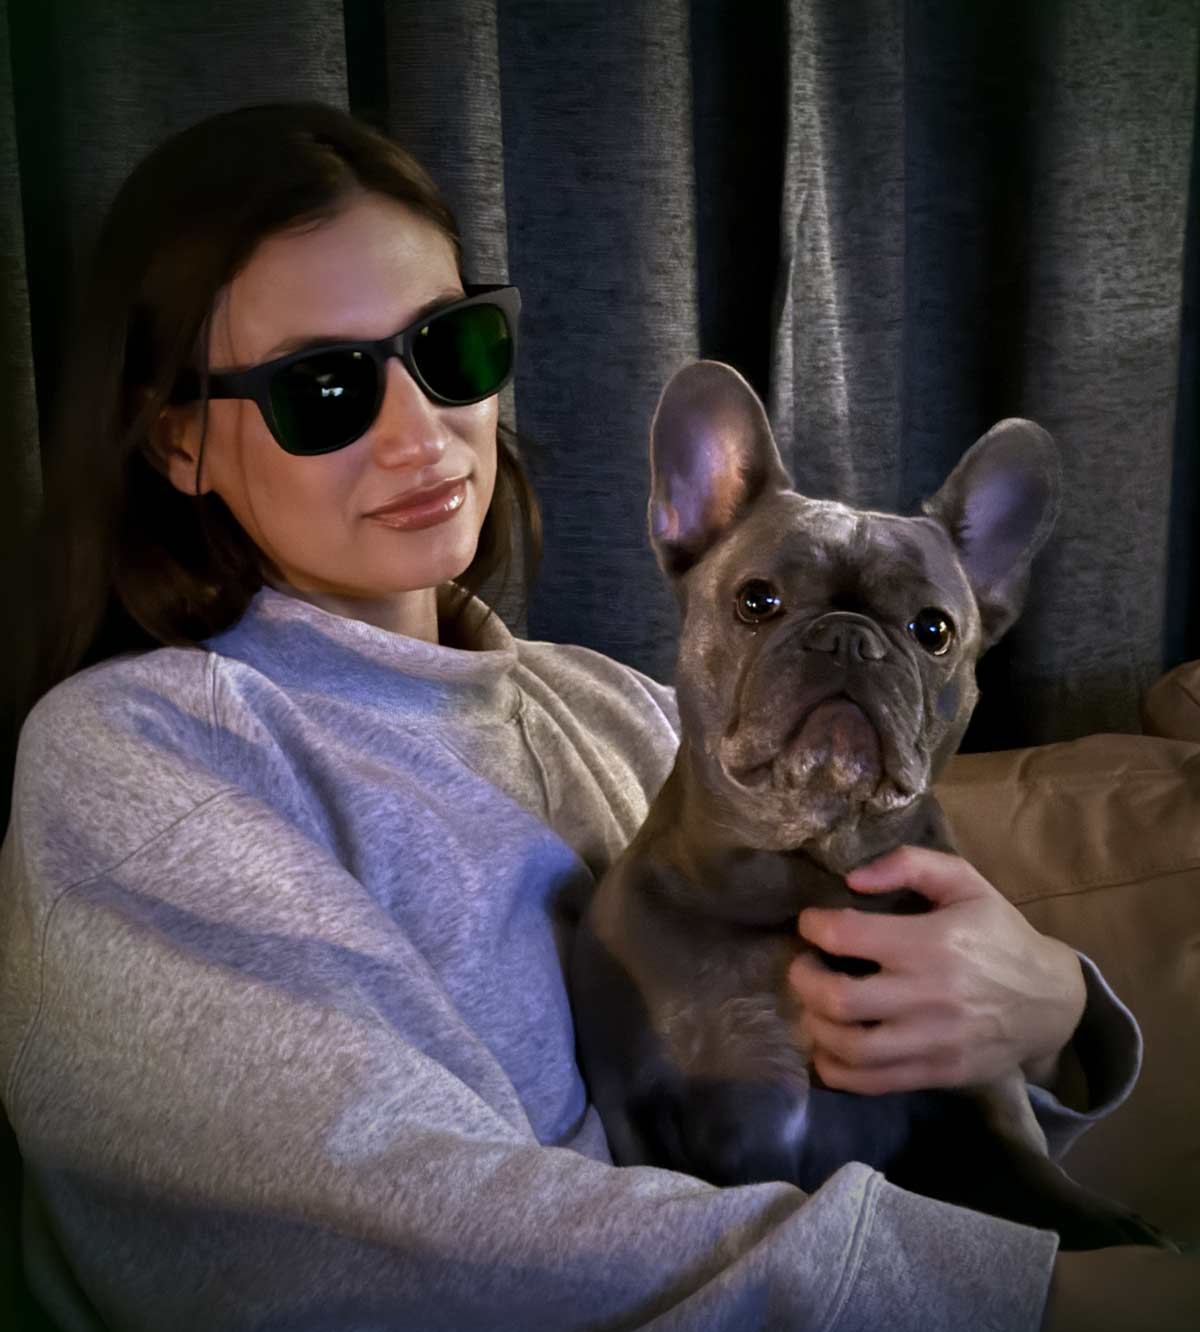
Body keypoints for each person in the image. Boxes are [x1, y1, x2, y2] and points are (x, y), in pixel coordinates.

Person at [0, 99, 1193, 1332]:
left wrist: (1053, 1012)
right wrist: (1037, 1299)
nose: (423, 437)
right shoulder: (147, 759)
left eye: (448, 350)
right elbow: (379, 1235)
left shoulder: (619, 706)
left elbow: (857, 1101)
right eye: (326, 388)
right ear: (181, 439)